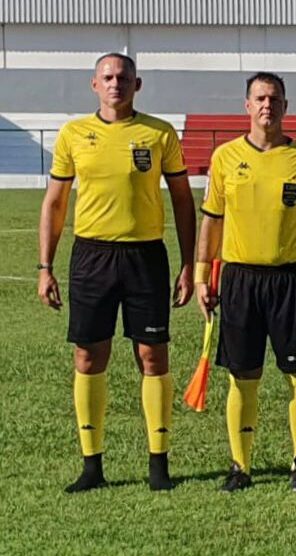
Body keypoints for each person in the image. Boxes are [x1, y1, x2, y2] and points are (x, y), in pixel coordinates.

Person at [38, 52, 195, 493]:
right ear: (94, 84)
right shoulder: (73, 134)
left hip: (145, 257)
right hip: (92, 257)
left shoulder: (159, 133)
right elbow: (54, 203)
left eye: (123, 77)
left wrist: (188, 265)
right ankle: (92, 466)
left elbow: (183, 200)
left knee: (153, 356)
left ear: (137, 84)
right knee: (89, 356)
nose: (115, 84)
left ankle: (159, 464)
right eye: (107, 77)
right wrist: (45, 267)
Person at [195, 72, 296, 492]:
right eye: (259, 98)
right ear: (247, 105)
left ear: (285, 106)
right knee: (242, 377)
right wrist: (202, 276)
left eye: (274, 99)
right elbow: (212, 222)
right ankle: (240, 466)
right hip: (239, 280)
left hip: (291, 280)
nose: (267, 106)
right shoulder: (225, 157)